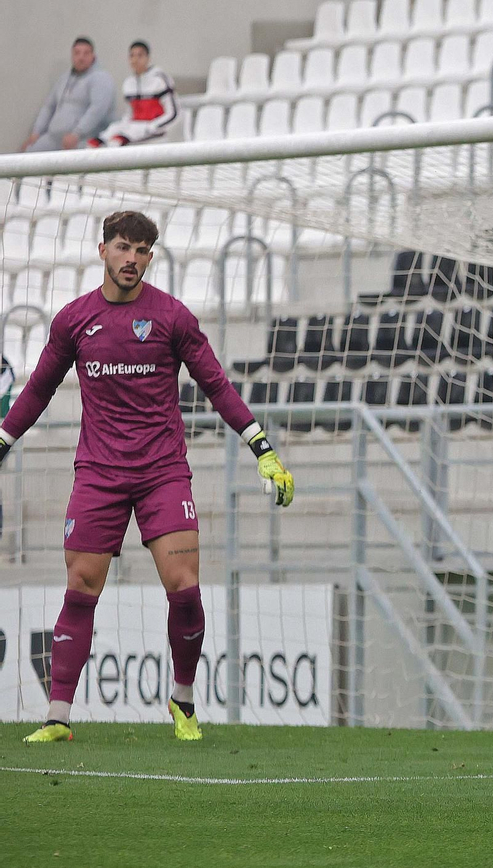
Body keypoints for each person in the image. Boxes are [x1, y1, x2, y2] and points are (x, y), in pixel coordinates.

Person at [5, 212, 296, 744]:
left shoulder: (171, 316)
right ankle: (57, 716)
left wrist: (262, 448)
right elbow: (40, 388)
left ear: (150, 257)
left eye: (142, 250)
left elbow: (216, 384)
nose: (132, 259)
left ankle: (183, 699)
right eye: (123, 247)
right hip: (98, 472)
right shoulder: (74, 320)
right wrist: (3, 439)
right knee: (81, 585)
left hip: (162, 470)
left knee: (184, 588)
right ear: (103, 251)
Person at [22, 37, 116, 152]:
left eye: (86, 53)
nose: (81, 57)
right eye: (77, 53)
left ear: (93, 56)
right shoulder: (64, 78)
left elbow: (97, 110)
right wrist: (36, 132)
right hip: (54, 137)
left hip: (83, 139)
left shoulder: (101, 78)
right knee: (29, 153)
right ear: (72, 56)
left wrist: (77, 133)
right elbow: (49, 106)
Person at [90, 41, 177, 147]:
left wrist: (152, 127)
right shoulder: (128, 84)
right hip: (135, 129)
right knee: (97, 142)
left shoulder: (160, 79)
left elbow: (173, 113)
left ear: (148, 58)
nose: (135, 60)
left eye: (140, 55)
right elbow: (130, 115)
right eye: (132, 56)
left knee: (117, 143)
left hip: (155, 134)